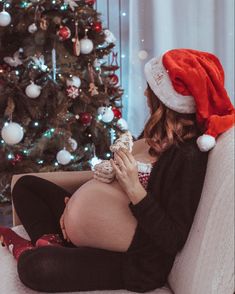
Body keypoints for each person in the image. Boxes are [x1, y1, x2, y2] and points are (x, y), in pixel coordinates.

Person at [0, 49, 234, 293]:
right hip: (98, 233)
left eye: (150, 91)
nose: (145, 94)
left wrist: (134, 189)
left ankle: (30, 248)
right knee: (27, 185)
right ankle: (50, 241)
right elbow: (114, 188)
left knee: (36, 268)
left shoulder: (187, 156)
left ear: (165, 101)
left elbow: (172, 238)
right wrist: (77, 205)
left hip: (135, 260)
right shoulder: (155, 133)